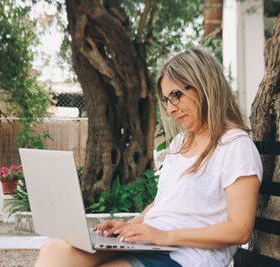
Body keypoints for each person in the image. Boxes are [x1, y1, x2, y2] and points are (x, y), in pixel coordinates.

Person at [34, 48, 262, 267]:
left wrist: (163, 236)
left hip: (189, 256)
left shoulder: (235, 145)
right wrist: (130, 225)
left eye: (177, 95)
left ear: (206, 87)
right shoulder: (180, 143)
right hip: (152, 244)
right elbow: (163, 203)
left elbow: (240, 229)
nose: (171, 109)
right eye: (166, 99)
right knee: (55, 250)